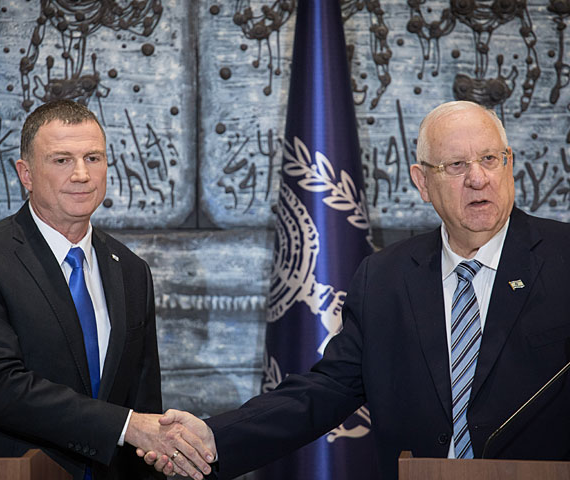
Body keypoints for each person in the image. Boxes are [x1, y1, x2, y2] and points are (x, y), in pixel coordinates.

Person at [144, 101, 570, 479]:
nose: (478, 178)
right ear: (422, 182)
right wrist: (213, 438)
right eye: (456, 165)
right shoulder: (385, 277)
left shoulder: (563, 258)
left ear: (509, 164)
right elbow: (327, 390)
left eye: (490, 159)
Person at [0, 99, 214, 480]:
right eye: (62, 160)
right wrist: (127, 426)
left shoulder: (132, 271)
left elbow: (143, 402)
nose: (81, 174)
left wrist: (150, 445)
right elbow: (1, 388)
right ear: (26, 174)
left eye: (93, 158)